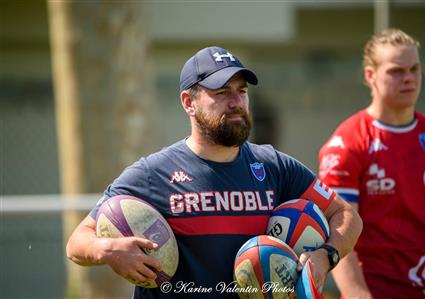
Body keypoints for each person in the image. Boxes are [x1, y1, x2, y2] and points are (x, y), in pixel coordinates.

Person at [66, 46, 362, 299]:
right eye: (222, 92)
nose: (236, 102)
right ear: (188, 103)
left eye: (241, 91)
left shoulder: (273, 166)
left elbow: (346, 215)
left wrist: (327, 255)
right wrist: (109, 249)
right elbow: (78, 241)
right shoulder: (153, 173)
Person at [318, 29, 425, 299]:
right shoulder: (347, 142)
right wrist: (357, 293)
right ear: (370, 75)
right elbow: (338, 229)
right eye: (396, 71)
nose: (409, 78)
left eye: (414, 68)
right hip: (376, 291)